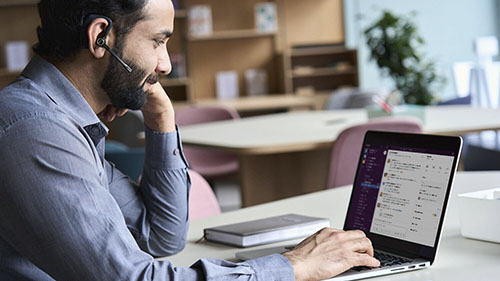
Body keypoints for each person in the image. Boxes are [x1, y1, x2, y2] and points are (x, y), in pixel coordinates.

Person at [0, 0, 380, 280]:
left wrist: (161, 118)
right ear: (101, 36)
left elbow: (161, 236)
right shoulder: (34, 129)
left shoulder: (61, 122)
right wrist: (291, 267)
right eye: (158, 41)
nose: (164, 65)